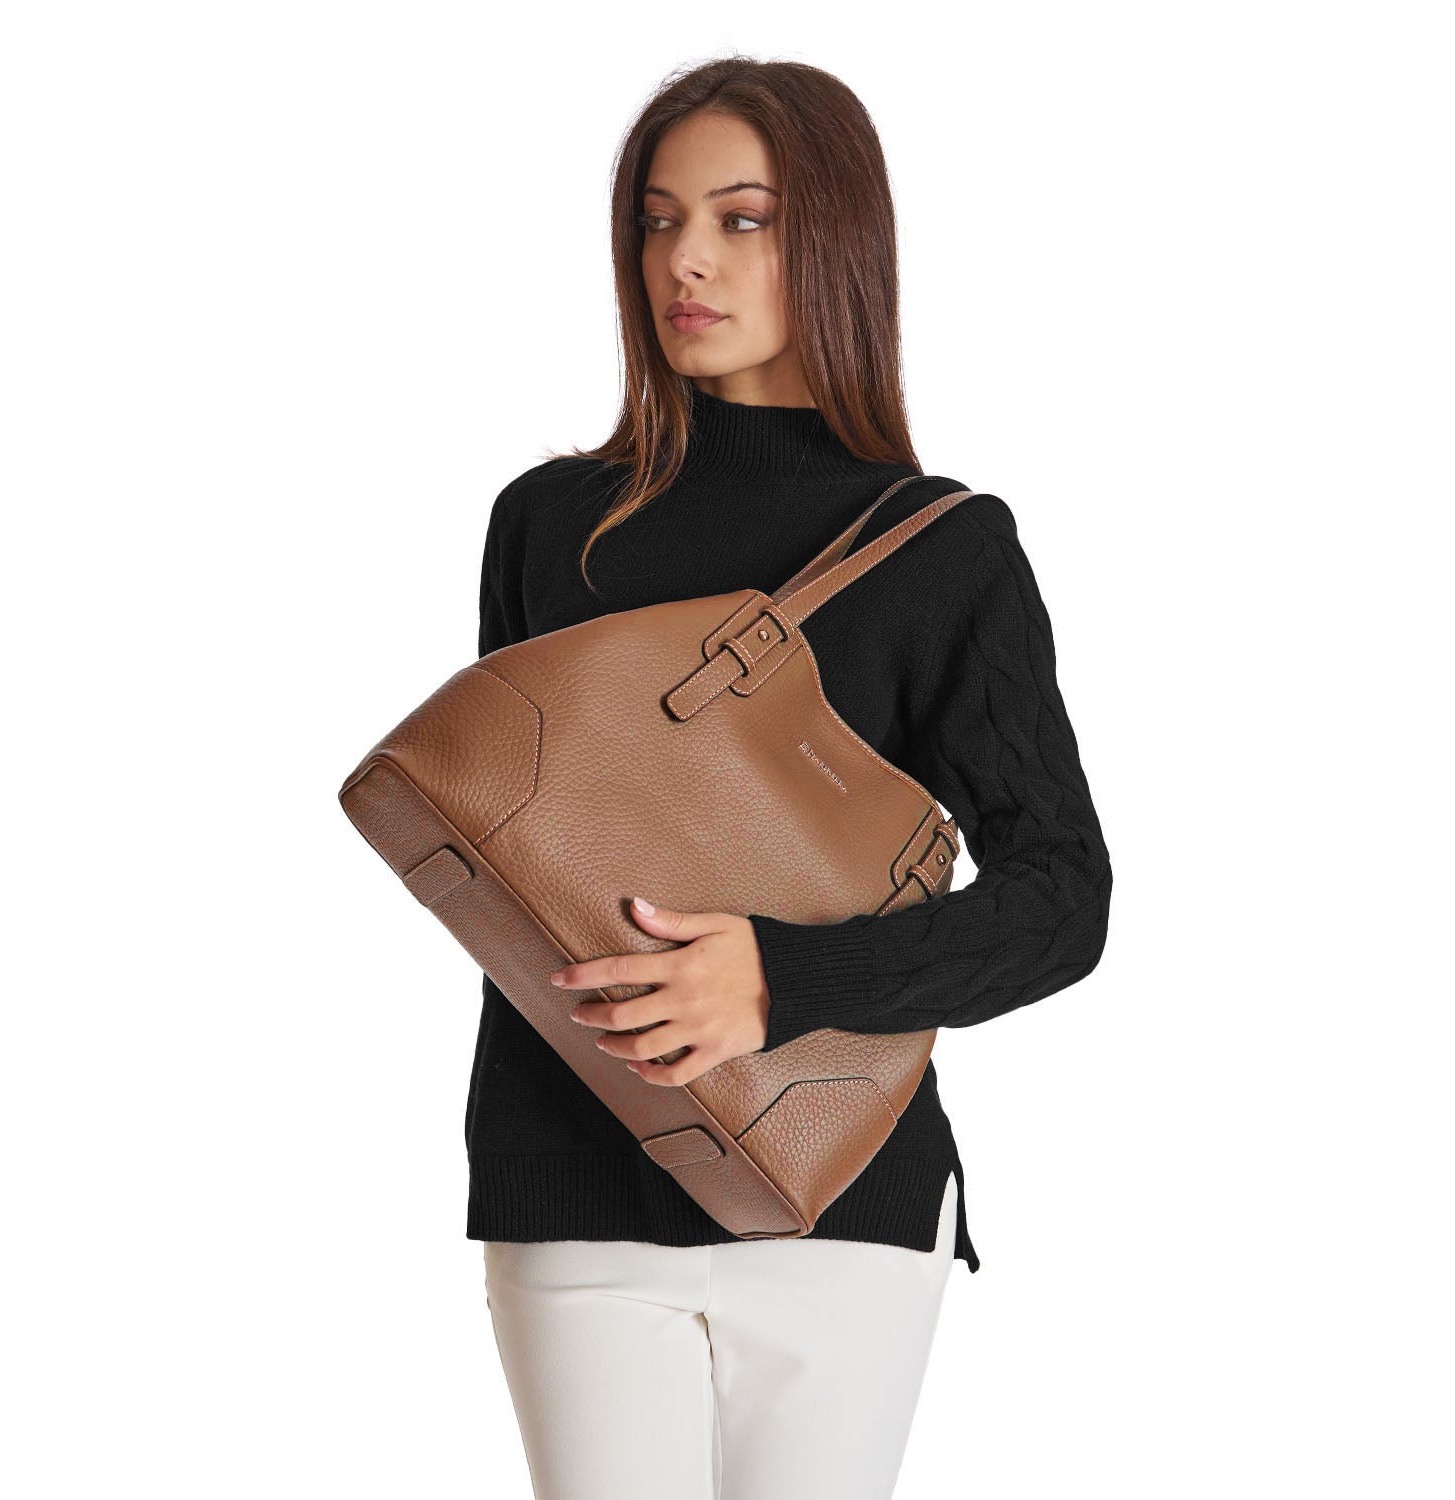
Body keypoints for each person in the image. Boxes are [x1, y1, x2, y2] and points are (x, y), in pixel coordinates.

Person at [468, 56, 1113, 1500]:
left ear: (839, 244)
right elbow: (514, 855)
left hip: (840, 1192)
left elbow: (1064, 899)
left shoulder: (942, 548)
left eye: (742, 219)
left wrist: (778, 979)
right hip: (571, 1180)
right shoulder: (548, 527)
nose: (684, 259)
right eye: (657, 219)